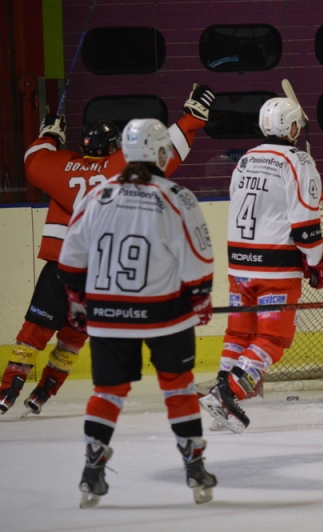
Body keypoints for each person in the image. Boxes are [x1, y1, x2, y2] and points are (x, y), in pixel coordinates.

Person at [0, 84, 216, 416]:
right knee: (74, 335)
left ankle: (9, 388)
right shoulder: (122, 167)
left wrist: (50, 135)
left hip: (61, 268)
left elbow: (32, 160)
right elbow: (166, 151)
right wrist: (192, 117)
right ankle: (44, 390)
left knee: (35, 329)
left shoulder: (58, 167)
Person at [58, 118, 216, 508]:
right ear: (161, 152)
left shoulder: (98, 195)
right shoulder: (176, 195)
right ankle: (194, 466)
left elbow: (71, 259)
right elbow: (198, 258)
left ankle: (92, 468)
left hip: (107, 314)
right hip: (164, 313)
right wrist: (200, 298)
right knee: (178, 387)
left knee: (107, 392)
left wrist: (78, 302)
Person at [200, 92, 323, 434]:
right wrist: (316, 261)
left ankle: (220, 391)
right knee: (273, 337)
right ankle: (228, 394)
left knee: (240, 331)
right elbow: (305, 226)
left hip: (240, 265)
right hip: (275, 266)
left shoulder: (245, 160)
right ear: (289, 128)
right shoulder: (298, 162)